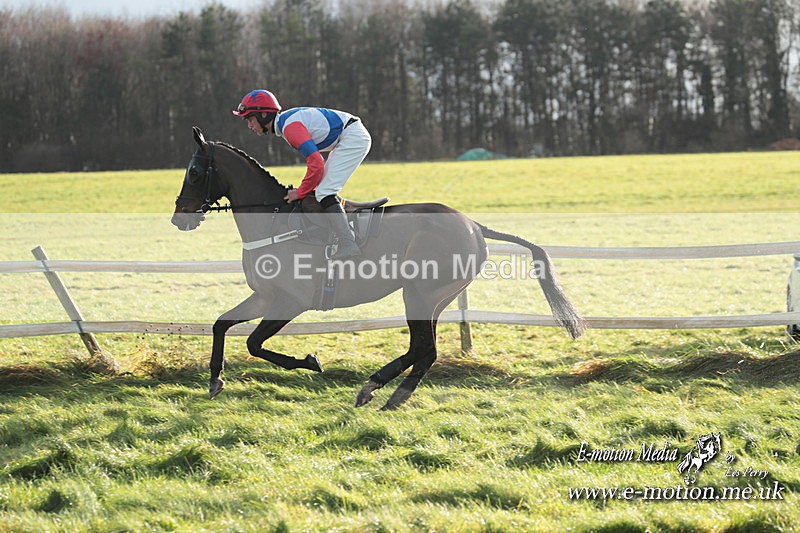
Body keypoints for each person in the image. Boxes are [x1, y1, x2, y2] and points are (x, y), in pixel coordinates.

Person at [232, 89, 371, 259]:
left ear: (263, 115)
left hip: (352, 138)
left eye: (250, 118)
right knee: (321, 191)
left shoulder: (289, 128)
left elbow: (316, 163)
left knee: (324, 192)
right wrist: (304, 189)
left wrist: (299, 192)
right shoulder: (285, 124)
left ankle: (348, 243)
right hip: (348, 136)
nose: (249, 125)